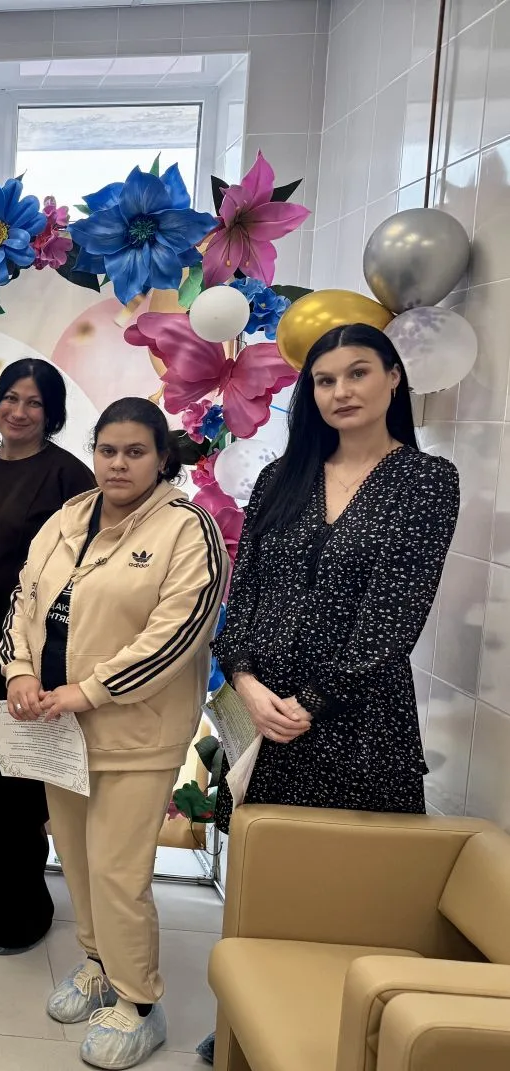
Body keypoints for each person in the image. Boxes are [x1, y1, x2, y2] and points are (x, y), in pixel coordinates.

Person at [194, 324, 460, 1063]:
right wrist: (246, 681)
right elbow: (244, 598)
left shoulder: (425, 481)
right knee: (263, 881)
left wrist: (311, 701)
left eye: (358, 373)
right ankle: (250, 1013)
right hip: (262, 717)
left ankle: (335, 1031)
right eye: (324, 380)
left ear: (394, 378)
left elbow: (394, 619)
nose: (341, 391)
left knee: (353, 890)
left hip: (358, 726)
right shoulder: (281, 477)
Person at [2, 397, 226, 1069]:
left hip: (136, 732)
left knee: (117, 871)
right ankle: (99, 964)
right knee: (75, 856)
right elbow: (23, 599)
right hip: (56, 725)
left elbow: (177, 636)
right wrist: (18, 670)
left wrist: (89, 690)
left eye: (135, 452)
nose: (119, 464)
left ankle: (139, 1003)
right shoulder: (69, 516)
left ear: (161, 458)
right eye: (107, 450)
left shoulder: (188, 528)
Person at [0, 358, 94, 954]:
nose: (20, 411)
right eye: (11, 398)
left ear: (52, 413)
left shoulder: (70, 478)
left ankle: (22, 912)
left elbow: (83, 574)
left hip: (26, 660)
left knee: (13, 785)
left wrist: (42, 662)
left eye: (34, 402)